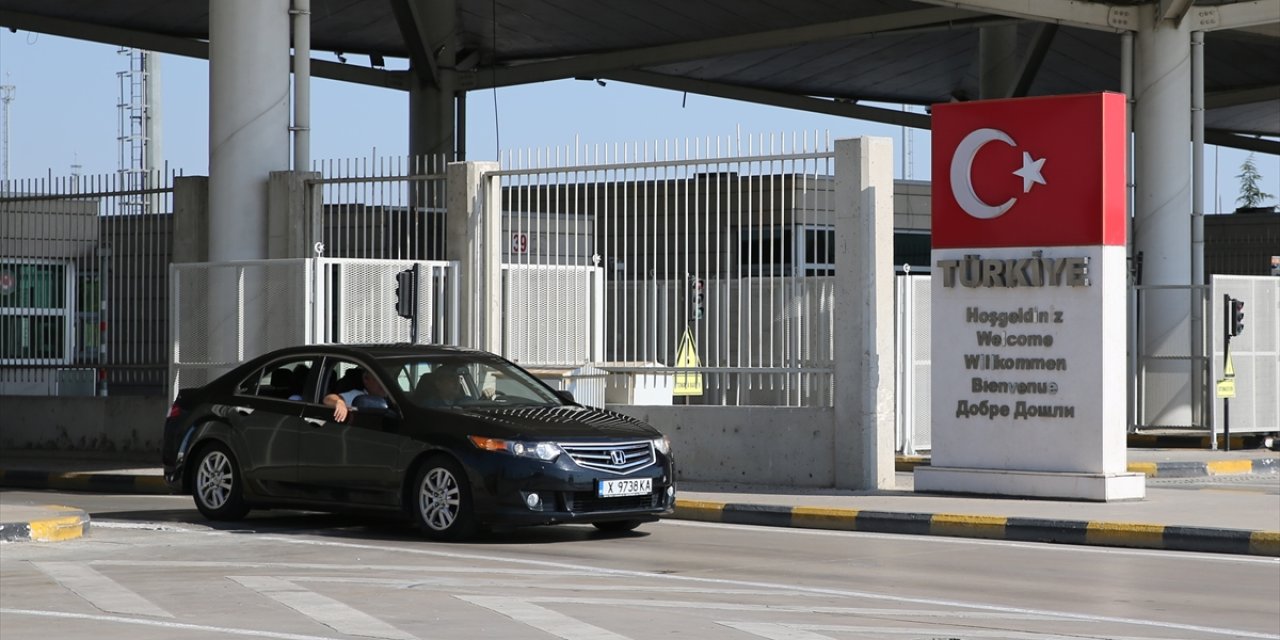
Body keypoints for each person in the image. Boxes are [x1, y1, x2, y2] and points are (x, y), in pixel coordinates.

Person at [323, 368, 387, 422]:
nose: (383, 383)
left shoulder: (391, 398)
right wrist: (340, 403)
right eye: (379, 378)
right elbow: (328, 398)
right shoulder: (357, 394)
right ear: (366, 379)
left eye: (385, 379)